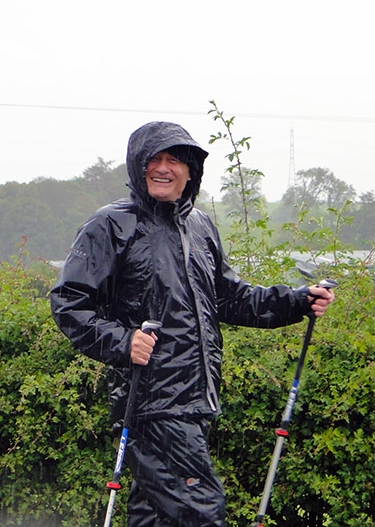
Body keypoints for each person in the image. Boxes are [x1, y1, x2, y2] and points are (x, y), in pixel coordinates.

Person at [49, 121, 335, 526]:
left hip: (195, 400)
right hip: (151, 401)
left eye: (174, 160)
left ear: (190, 171)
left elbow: (230, 298)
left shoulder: (199, 227)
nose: (163, 168)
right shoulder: (111, 225)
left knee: (156, 517)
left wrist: (296, 301)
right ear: (137, 166)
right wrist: (122, 341)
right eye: (154, 159)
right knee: (201, 511)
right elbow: (68, 300)